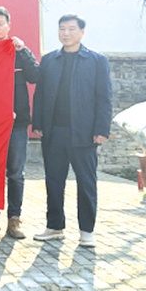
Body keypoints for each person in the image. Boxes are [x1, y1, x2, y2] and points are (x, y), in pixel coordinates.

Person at [31, 14, 112, 248]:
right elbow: (40, 94)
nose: (66, 33)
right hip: (54, 132)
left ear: (82, 32)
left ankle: (87, 231)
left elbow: (104, 97)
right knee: (54, 181)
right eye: (62, 29)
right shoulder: (49, 60)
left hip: (84, 133)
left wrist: (101, 129)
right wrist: (38, 123)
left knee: (86, 183)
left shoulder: (96, 60)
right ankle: (55, 226)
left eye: (71, 29)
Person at [0, 7, 39, 239]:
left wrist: (24, 51)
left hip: (17, 123)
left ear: (9, 25)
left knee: (16, 173)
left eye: (1, 23)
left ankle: (14, 219)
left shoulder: (18, 49)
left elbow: (35, 76)